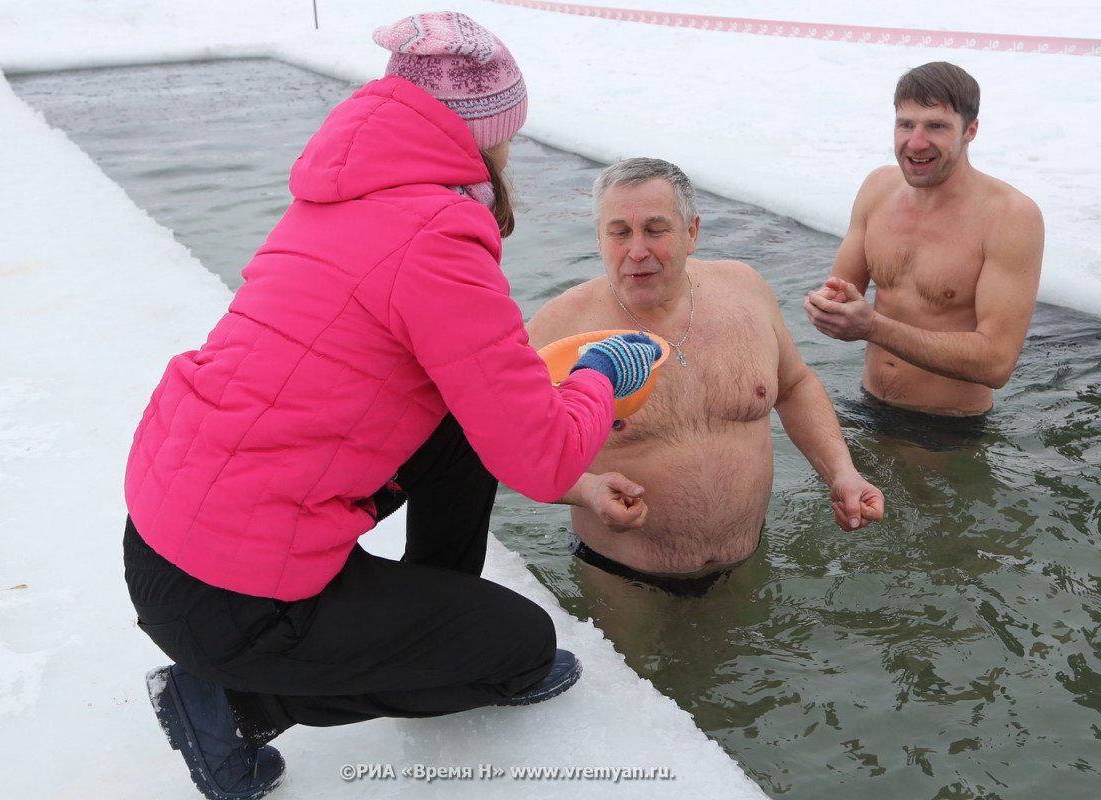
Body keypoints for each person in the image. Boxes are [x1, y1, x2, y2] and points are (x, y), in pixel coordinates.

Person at [122, 13, 660, 800]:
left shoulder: (337, 196)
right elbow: (540, 459)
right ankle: (232, 703)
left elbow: (473, 407)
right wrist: (600, 375)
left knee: (459, 426)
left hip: (168, 539)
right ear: (484, 134)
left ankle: (426, 613)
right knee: (525, 653)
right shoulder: (440, 233)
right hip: (237, 600)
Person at [525, 157, 884, 589]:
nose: (637, 250)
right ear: (600, 239)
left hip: (749, 562)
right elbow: (508, 448)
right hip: (624, 577)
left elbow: (794, 385)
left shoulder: (745, 291)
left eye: (656, 230)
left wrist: (841, 472)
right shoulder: (558, 328)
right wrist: (586, 492)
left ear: (692, 232)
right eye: (619, 232)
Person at [804, 61, 1044, 419]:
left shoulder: (1010, 217)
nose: (915, 143)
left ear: (970, 131)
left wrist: (872, 326)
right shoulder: (878, 188)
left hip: (947, 431)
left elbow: (997, 363)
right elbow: (841, 289)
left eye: (936, 126)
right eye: (906, 125)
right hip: (867, 406)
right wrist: (830, 307)